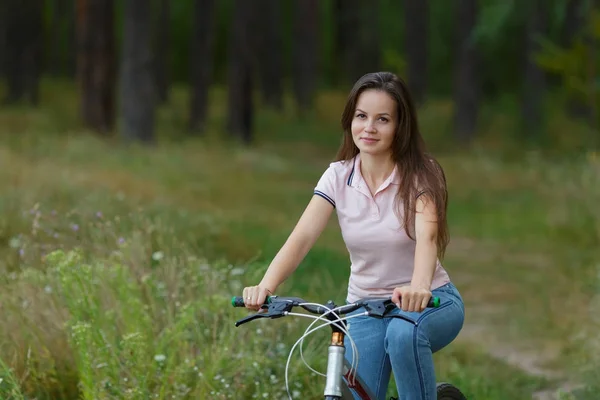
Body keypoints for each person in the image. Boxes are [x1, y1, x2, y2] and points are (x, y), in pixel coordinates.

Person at [242, 71, 465, 400]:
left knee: (404, 334)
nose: (369, 128)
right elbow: (302, 236)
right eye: (361, 116)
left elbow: (428, 237)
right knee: (356, 393)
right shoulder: (338, 176)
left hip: (430, 301)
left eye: (383, 119)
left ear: (400, 126)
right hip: (364, 310)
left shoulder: (422, 173)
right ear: (350, 120)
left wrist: (419, 287)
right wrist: (266, 286)